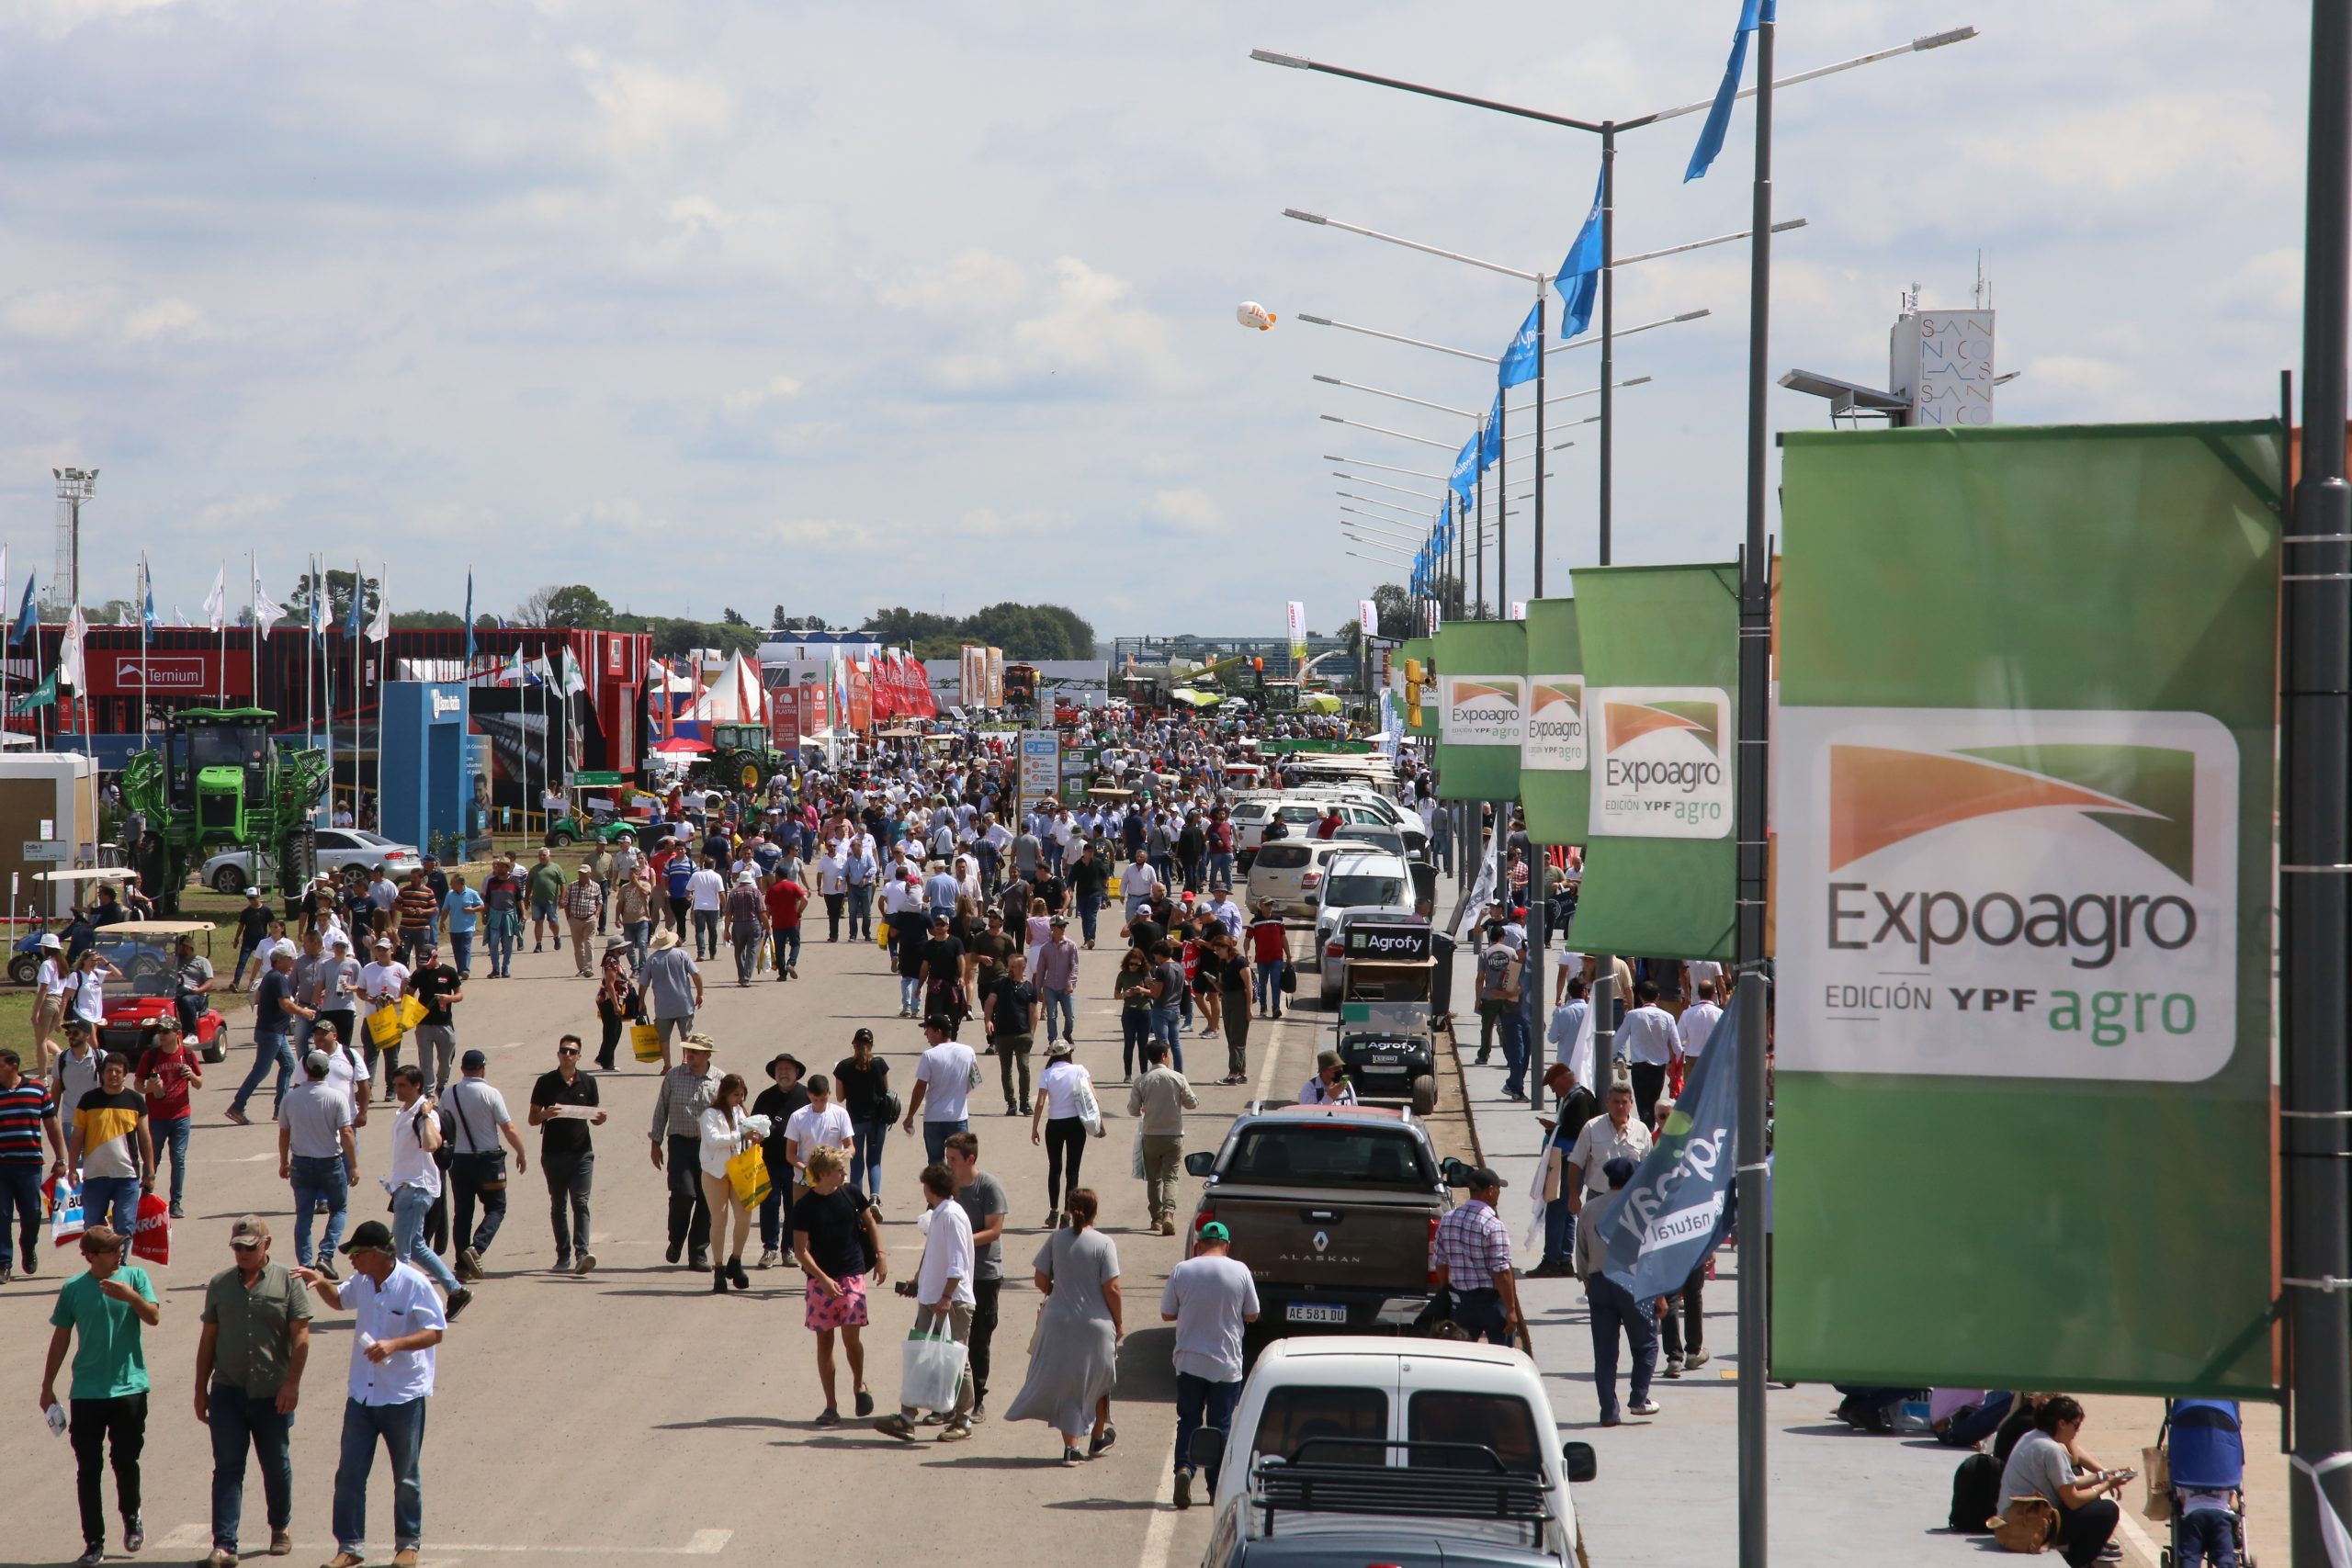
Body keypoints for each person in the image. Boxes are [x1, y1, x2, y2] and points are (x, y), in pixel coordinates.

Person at [293, 1219, 447, 1568]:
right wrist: (320, 1284)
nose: (352, 1259)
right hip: (362, 1396)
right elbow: (339, 1300)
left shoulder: (414, 1284)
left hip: (402, 1397)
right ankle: (350, 1547)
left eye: (357, 1253)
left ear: (378, 1255)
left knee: (405, 1475)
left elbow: (435, 1332)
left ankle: (408, 1545)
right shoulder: (363, 1282)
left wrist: (395, 1344)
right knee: (349, 1473)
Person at [195, 1215, 310, 1567]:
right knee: (227, 1467)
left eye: (249, 1247)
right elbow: (209, 1338)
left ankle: (280, 1527)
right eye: (237, 1248)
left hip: (272, 1392)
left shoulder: (289, 1283)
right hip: (228, 1390)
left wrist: (291, 1384)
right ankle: (225, 1544)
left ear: (266, 1245)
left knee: (275, 1464)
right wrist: (201, 1389)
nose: (242, 1253)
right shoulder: (220, 1284)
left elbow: (301, 1336)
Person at [42, 1224, 160, 1566]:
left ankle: (132, 1518)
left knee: (126, 1461)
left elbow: (153, 1317)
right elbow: (61, 1337)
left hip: (130, 1388)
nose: (119, 1253)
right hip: (87, 1393)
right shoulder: (74, 1289)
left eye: (120, 1247)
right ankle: (94, 1541)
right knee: (88, 1468)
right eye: (111, 1250)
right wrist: (47, 1385)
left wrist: (131, 1297)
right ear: (91, 1256)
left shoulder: (135, 1277)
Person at [1004, 1188, 1123, 1466]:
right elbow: (1113, 1288)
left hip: (1057, 1321)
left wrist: (1060, 1289)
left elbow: (1040, 1280)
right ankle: (1097, 1436)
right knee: (1100, 1378)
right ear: (1095, 1212)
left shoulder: (1056, 1239)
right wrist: (1119, 1321)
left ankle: (1072, 1447)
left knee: (1069, 1382)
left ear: (1069, 1210)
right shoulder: (1104, 1244)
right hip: (1095, 1324)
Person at [873, 1160, 976, 1442]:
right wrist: (917, 1282)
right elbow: (934, 1255)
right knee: (921, 1356)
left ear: (930, 1188)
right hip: (932, 1298)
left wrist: (946, 1296)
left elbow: (958, 1263)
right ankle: (906, 1418)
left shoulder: (952, 1216)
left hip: (952, 1302)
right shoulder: (940, 1214)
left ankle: (963, 1420)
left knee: (956, 1360)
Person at [1162, 1219, 1258, 1508]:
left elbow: (1168, 1314)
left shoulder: (1183, 1269)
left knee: (1188, 1420)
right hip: (1226, 1364)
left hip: (1189, 1360)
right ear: (1227, 1245)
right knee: (1221, 1426)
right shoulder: (1240, 1271)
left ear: (1199, 1244)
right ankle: (1216, 1487)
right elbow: (1252, 1313)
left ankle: (1184, 1469)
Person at [792, 1145, 888, 1425]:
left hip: (852, 1274)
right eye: (838, 1169)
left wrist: (881, 1257)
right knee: (825, 1341)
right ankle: (831, 1405)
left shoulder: (852, 1194)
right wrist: (822, 1279)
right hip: (820, 1280)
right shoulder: (805, 1206)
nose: (844, 1172)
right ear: (822, 1174)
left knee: (851, 1339)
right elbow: (800, 1250)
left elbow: (870, 1225)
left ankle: (859, 1385)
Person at [1996, 1394, 2128, 1568]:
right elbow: (2072, 1501)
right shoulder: (2051, 1450)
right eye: (2076, 1425)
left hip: (2014, 1518)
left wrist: (2104, 1476)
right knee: (2107, 1511)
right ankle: (2076, 1562)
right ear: (2062, 1424)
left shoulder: (2033, 1436)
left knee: (2091, 1499)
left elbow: (2068, 1482)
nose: (2077, 1431)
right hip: (2028, 1526)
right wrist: (2106, 1486)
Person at [380, 1066, 471, 1315]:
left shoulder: (424, 1115)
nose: (398, 1089)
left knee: (401, 1252)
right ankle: (456, 1291)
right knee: (417, 1245)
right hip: (406, 1187)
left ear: (418, 1085)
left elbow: (432, 1144)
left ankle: (401, 1306)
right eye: (396, 1085)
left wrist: (425, 1117)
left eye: (403, 1085)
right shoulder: (405, 1111)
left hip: (416, 1188)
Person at [1578, 1156, 1657, 1425]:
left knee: (1604, 1353)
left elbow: (1581, 1251)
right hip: (1632, 1282)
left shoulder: (1590, 1209)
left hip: (1599, 1282)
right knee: (1645, 1343)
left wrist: (1587, 1280)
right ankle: (1638, 1399)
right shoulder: (1644, 1208)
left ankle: (1608, 1411)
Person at [936, 1130, 1009, 1419]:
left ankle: (977, 1399)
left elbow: (994, 1230)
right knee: (947, 1340)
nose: (948, 1164)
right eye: (947, 1158)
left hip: (983, 1275)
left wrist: (960, 1240)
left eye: (953, 1159)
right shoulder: (947, 1187)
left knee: (979, 1339)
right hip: (951, 1275)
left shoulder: (988, 1187)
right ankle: (948, 1400)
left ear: (970, 1159)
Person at [441, 1049, 526, 1285]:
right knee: (497, 1207)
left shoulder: (449, 1093)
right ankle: (476, 1248)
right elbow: (508, 1128)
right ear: (483, 1068)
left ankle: (461, 1266)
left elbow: (444, 1126)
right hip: (487, 1161)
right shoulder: (490, 1093)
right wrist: (521, 1152)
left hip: (459, 1161)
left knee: (463, 1213)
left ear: (462, 1069)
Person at [526, 1033, 605, 1274]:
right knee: (558, 1205)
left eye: (572, 1051)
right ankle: (563, 1256)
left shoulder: (588, 1082)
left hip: (582, 1153)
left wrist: (600, 1118)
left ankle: (582, 1253)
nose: (568, 1055)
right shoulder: (545, 1082)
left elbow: (593, 1116)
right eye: (564, 1051)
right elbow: (532, 1119)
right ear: (558, 1054)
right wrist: (545, 1115)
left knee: (580, 1202)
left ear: (579, 1056)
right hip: (553, 1153)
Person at [278, 1049, 360, 1270]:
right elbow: (346, 1132)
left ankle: (305, 1263)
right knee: (339, 1209)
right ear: (326, 1071)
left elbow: (284, 1132)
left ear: (305, 1070)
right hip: (330, 1162)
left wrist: (283, 1162)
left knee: (304, 1215)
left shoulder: (290, 1098)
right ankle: (326, 1255)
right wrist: (353, 1165)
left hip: (301, 1163)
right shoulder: (336, 1097)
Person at [650, 1035, 720, 1269]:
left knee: (706, 1200)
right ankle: (676, 1240)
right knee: (683, 1194)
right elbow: (662, 1109)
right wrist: (656, 1142)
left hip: (710, 1148)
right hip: (680, 1144)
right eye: (688, 1051)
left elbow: (731, 1113)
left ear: (707, 1055)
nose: (689, 1055)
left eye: (696, 1052)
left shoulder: (720, 1080)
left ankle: (698, 1253)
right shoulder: (674, 1076)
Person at [1528, 1059, 1601, 1278]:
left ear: (1564, 1080)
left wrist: (1555, 1130)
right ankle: (1564, 1258)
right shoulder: (1577, 1097)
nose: (1553, 1090)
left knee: (1557, 1209)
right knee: (1568, 1210)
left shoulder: (1579, 1099)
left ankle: (1552, 1259)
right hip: (1570, 1161)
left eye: (1554, 1086)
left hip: (1567, 1160)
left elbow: (1578, 1132)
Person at [0, 1047, 67, 1283]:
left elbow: (52, 1126)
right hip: (2, 1166)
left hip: (29, 1165)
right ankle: (3, 1263)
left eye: (0, 1066)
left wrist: (60, 1159)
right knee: (2, 1215)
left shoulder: (37, 1090)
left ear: (13, 1066)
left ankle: (28, 1247)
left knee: (32, 1214)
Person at [69, 1052, 153, 1240]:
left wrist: (150, 1171)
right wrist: (72, 1168)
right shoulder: (88, 1100)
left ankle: (119, 1264)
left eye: (118, 1071)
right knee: (93, 1227)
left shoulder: (136, 1101)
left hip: (127, 1175)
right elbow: (77, 1137)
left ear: (125, 1075)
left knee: (125, 1224)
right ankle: (99, 1265)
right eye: (109, 1070)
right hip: (95, 1175)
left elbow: (145, 1138)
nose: (113, 1074)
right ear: (102, 1073)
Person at [1432, 1165, 1519, 1348]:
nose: (1498, 1195)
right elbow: (1501, 1272)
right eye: (1498, 1190)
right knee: (1501, 1359)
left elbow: (1440, 1261)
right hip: (1492, 1303)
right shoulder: (1493, 1225)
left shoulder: (1448, 1219)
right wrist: (1511, 1310)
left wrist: (1447, 1291)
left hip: (1461, 1302)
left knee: (1463, 1358)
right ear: (1490, 1190)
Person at [697, 1071, 764, 1293]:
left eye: (742, 1095)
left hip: (739, 1170)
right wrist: (741, 1135)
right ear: (725, 1093)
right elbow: (714, 1140)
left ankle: (735, 1260)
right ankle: (718, 1266)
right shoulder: (710, 1114)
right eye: (736, 1094)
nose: (739, 1099)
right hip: (715, 1173)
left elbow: (748, 1133)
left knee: (745, 1216)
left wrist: (757, 1135)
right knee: (719, 1219)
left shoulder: (740, 1112)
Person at [1126, 1041, 1198, 1236]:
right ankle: (1169, 1213)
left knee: (1154, 1179)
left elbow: (1133, 1110)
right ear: (1165, 1055)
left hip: (1151, 1136)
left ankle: (1156, 1219)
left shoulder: (1142, 1080)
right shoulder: (1177, 1077)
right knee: (1171, 1177)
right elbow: (1191, 1103)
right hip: (1174, 1135)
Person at [135, 1019, 203, 1220]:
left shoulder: (187, 1054)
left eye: (166, 1031)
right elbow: (138, 1085)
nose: (162, 1035)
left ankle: (176, 1203)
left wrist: (192, 1076)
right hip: (156, 1117)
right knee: (152, 1160)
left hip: (181, 1116)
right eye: (160, 1031)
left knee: (178, 1159)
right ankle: (146, 1197)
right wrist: (152, 1088)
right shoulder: (151, 1055)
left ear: (177, 1033)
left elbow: (199, 1083)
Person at [1031, 1041, 1100, 1228]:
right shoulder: (1079, 1070)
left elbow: (1040, 1103)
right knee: (1072, 1171)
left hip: (1054, 1125)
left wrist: (1034, 1128)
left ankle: (1053, 1212)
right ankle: (1067, 1214)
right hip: (1076, 1124)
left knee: (1055, 1169)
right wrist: (1097, 1124)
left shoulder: (1048, 1073)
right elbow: (1094, 1097)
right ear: (1069, 1053)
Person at [753, 1055, 811, 1268]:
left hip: (797, 1163)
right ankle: (769, 1248)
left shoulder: (806, 1096)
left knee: (793, 1207)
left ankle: (789, 1249)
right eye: (779, 1069)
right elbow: (752, 1126)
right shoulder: (765, 1097)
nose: (783, 1072)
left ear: (797, 1072)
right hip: (769, 1161)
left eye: (787, 1068)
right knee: (769, 1204)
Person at [1566, 1083, 1654, 1223]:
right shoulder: (1592, 1127)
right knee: (1594, 1242)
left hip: (1630, 1200)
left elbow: (1649, 1168)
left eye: (1624, 1102)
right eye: (1616, 1102)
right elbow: (1576, 1162)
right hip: (1597, 1198)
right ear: (1607, 1103)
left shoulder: (1641, 1130)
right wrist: (1573, 1195)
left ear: (1631, 1104)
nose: (1620, 1107)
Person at [904, 1014, 978, 1167]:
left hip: (933, 1118)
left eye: (928, 1030)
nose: (926, 1034)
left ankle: (940, 1191)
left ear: (938, 1032)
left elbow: (920, 1088)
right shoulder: (968, 1052)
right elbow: (974, 1080)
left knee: (936, 1164)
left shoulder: (929, 1056)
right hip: (958, 1118)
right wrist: (958, 1094)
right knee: (960, 1164)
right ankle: (959, 1191)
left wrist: (910, 1115)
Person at [834, 1029, 890, 1205]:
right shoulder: (880, 1064)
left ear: (854, 1044)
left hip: (854, 1121)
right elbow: (886, 1091)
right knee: (874, 1161)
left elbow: (840, 1097)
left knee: (856, 1164)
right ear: (871, 1044)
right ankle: (874, 1197)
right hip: (877, 1121)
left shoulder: (843, 1067)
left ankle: (857, 1203)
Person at [1616, 981, 1679, 1127]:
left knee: (1643, 1105)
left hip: (1640, 1067)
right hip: (1659, 1068)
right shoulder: (1667, 1017)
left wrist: (1609, 1055)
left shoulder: (1632, 1015)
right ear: (1657, 997)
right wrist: (1675, 1065)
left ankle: (1647, 1132)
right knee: (1654, 1102)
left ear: (1640, 997)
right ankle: (1650, 1131)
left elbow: (1618, 1040)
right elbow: (1677, 1046)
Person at [985, 952, 1040, 1115]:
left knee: (1024, 1068)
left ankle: (1025, 1103)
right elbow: (989, 1003)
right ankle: (1011, 1103)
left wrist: (1031, 1033)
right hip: (1002, 1035)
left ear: (1023, 968)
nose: (1010, 969)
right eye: (1010, 966)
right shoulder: (999, 984)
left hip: (1022, 1035)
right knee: (1005, 1070)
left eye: (1014, 967)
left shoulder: (1030, 988)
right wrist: (988, 1020)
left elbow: (1033, 1012)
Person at [639, 931, 702, 1070]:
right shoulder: (682, 955)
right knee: (685, 1035)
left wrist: (641, 1001)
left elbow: (643, 984)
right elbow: (696, 975)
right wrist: (700, 994)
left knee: (664, 1038)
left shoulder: (652, 960)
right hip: (683, 1003)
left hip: (663, 1006)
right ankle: (685, 1060)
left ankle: (667, 1065)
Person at [408, 941, 463, 1098]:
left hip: (444, 1023)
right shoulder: (418, 974)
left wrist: (448, 998)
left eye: (429, 961)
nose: (426, 965)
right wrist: (405, 988)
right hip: (424, 1024)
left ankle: (442, 1084)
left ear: (436, 956)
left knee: (445, 1061)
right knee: (425, 1061)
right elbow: (409, 995)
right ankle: (429, 1091)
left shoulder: (449, 972)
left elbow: (460, 995)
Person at [592, 938, 642, 1071]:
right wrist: (615, 1005)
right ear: (615, 949)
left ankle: (603, 1057)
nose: (624, 949)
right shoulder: (611, 962)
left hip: (613, 999)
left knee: (612, 1030)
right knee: (613, 1031)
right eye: (621, 947)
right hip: (609, 1000)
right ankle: (607, 1063)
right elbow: (610, 985)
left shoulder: (613, 960)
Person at [1034, 915, 1080, 1046]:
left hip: (1066, 988)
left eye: (1064, 926)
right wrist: (1038, 990)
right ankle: (1052, 1042)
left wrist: (1071, 983)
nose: (1063, 929)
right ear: (1052, 928)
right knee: (1051, 1016)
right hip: (1050, 988)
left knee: (1070, 1017)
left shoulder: (1071, 945)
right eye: (1060, 926)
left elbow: (1074, 966)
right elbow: (1041, 970)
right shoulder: (1045, 948)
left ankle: (1067, 1034)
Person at [764, 863, 808, 980]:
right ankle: (791, 963)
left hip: (778, 922)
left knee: (779, 948)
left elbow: (767, 909)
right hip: (792, 921)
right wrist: (799, 911)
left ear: (777, 876)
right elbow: (805, 899)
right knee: (795, 944)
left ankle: (782, 974)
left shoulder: (771, 889)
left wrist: (765, 922)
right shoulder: (793, 886)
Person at [723, 869, 766, 987]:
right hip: (753, 924)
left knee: (739, 951)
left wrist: (726, 930)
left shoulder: (733, 893)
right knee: (752, 951)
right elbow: (762, 912)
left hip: (738, 925)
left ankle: (741, 976)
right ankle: (746, 977)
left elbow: (728, 914)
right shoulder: (756, 892)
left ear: (740, 881)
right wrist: (767, 926)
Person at [526, 848, 567, 955]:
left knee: (553, 922)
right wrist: (526, 899)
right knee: (538, 922)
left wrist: (562, 898)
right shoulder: (534, 869)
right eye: (540, 855)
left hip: (551, 901)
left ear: (549, 856)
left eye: (544, 855)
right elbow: (528, 885)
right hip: (537, 901)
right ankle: (538, 944)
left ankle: (556, 936)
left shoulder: (556, 868)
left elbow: (563, 883)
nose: (542, 857)